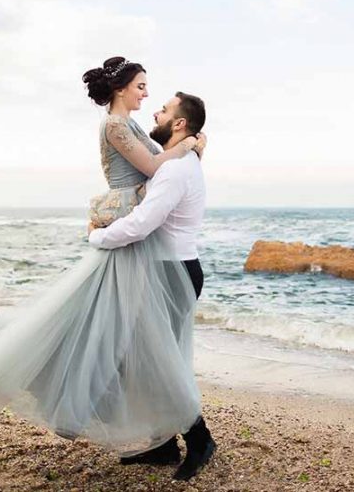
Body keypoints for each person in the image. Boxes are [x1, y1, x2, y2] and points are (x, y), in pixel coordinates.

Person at [0, 57, 205, 464]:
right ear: (121, 89)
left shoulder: (133, 126)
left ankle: (161, 440)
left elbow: (162, 164)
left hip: (138, 242)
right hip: (130, 239)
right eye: (140, 86)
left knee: (133, 343)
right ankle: (154, 433)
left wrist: (189, 145)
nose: (146, 94)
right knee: (109, 334)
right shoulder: (115, 125)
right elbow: (156, 165)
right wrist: (189, 145)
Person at [88, 90, 216, 481]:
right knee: (147, 359)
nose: (155, 113)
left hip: (171, 273)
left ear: (179, 123)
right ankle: (162, 445)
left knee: (164, 364)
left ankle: (200, 441)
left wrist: (97, 236)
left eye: (163, 110)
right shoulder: (181, 162)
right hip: (170, 269)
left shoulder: (175, 171)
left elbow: (143, 222)